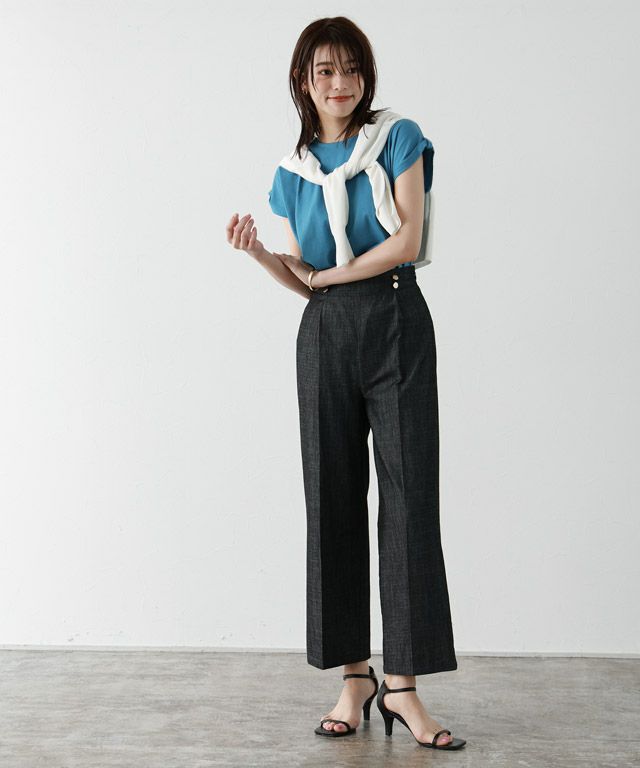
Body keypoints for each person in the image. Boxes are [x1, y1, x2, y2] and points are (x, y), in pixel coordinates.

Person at [226, 15, 466, 752]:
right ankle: (355, 676)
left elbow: (407, 238)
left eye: (352, 68)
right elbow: (307, 277)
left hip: (394, 319)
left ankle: (404, 688)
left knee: (409, 498)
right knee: (330, 497)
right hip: (325, 331)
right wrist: (261, 254)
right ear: (304, 81)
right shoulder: (292, 171)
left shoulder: (397, 138)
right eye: (325, 70)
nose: (341, 83)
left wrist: (330, 276)